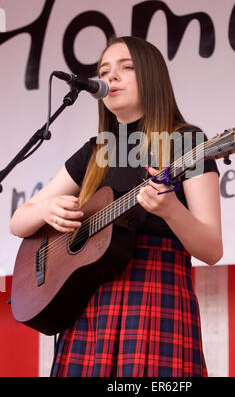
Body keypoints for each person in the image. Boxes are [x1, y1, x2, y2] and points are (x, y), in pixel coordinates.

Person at [10, 36, 223, 377]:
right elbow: (20, 222)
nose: (112, 77)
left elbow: (212, 248)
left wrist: (171, 210)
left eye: (126, 67)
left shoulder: (188, 143)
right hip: (88, 303)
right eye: (104, 71)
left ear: (152, 76)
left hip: (155, 296)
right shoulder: (95, 152)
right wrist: (44, 212)